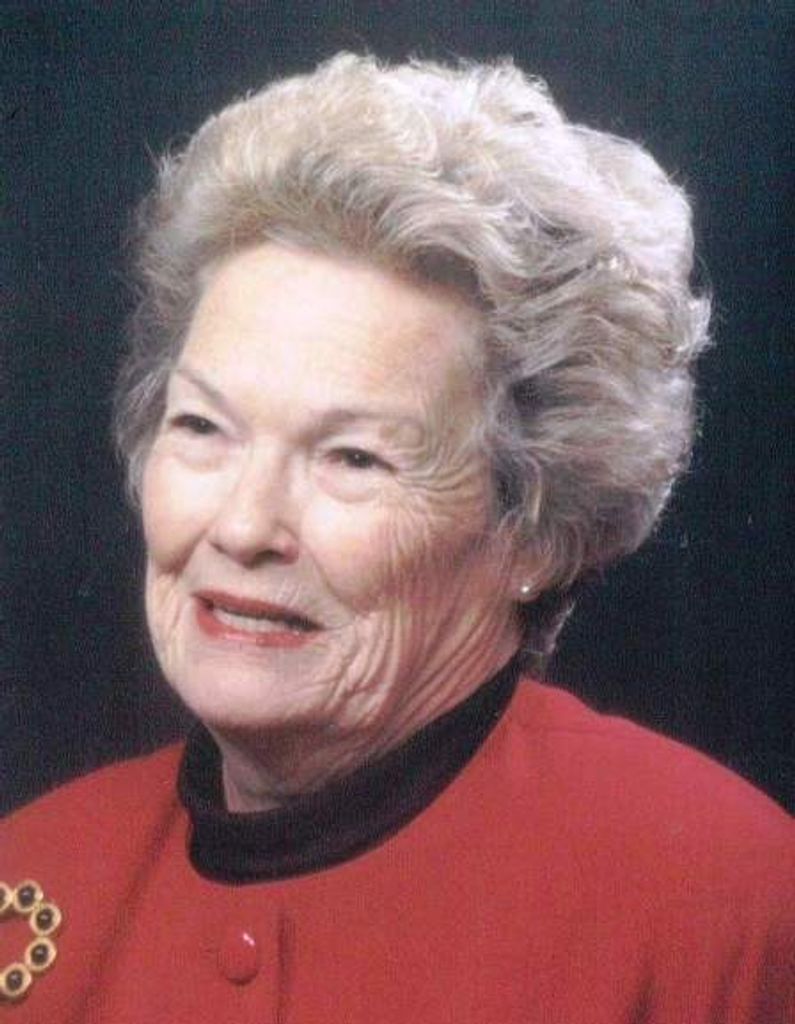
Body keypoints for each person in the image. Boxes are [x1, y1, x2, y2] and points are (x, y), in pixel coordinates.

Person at [1, 53, 792, 1022]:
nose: (243, 526)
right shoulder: (36, 870)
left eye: (353, 459)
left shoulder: (720, 902)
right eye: (203, 427)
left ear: (534, 531)